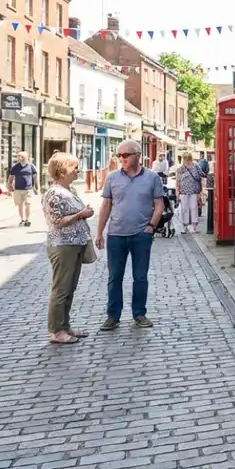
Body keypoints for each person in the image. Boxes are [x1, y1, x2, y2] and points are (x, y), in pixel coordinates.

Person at [96, 139, 166, 331]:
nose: (122, 159)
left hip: (141, 235)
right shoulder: (112, 178)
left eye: (125, 155)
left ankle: (139, 313)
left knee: (140, 277)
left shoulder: (152, 178)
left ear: (137, 155)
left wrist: (151, 226)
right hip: (116, 235)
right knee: (114, 277)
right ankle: (113, 316)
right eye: (119, 155)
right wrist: (99, 232)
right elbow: (106, 205)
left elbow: (159, 204)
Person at [42, 152, 95, 345]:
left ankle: (65, 325)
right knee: (61, 288)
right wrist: (81, 214)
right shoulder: (54, 193)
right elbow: (57, 221)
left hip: (75, 243)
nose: (78, 171)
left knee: (69, 287)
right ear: (62, 171)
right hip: (63, 244)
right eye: (74, 168)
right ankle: (56, 330)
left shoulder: (70, 190)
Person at [176, 153, 205, 234]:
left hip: (194, 191)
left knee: (194, 208)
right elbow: (178, 181)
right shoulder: (181, 168)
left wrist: (201, 191)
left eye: (189, 158)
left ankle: (194, 226)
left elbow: (201, 177)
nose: (188, 161)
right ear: (183, 159)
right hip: (184, 191)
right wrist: (177, 191)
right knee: (184, 209)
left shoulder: (196, 166)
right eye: (186, 159)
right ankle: (184, 226)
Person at [8, 151, 39, 227]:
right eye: (18, 156)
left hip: (28, 189)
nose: (19, 158)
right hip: (18, 189)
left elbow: (35, 178)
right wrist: (10, 185)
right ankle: (22, 219)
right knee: (20, 205)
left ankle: (27, 219)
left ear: (26, 157)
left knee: (28, 204)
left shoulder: (31, 166)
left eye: (21, 156)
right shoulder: (15, 167)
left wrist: (37, 188)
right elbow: (11, 177)